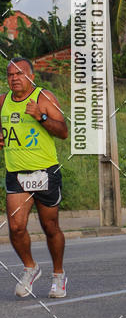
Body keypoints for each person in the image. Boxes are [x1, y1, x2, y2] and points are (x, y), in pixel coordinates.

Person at [0, 57, 69, 298]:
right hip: (17, 174)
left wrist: (42, 117)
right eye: (10, 74)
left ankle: (59, 274)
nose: (14, 78)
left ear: (31, 76)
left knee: (50, 227)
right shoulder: (3, 101)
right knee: (16, 228)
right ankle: (31, 267)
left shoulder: (44, 98)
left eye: (20, 73)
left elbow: (63, 132)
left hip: (45, 173)